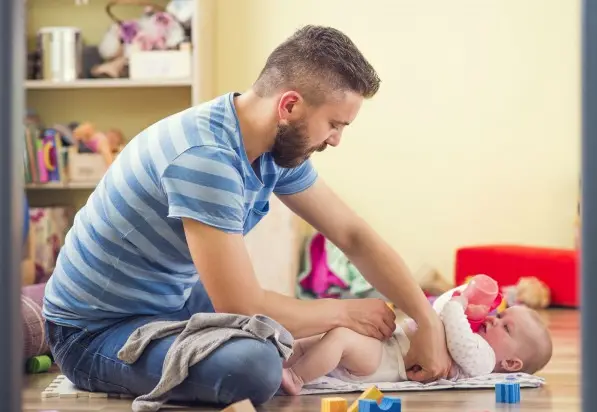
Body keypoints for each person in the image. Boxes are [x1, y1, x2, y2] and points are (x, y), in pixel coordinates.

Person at [41, 25, 452, 406]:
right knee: (255, 365)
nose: (336, 140)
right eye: (333, 124)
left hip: (170, 300)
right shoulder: (206, 158)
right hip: (92, 334)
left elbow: (353, 235)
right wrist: (344, 311)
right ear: (289, 105)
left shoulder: (272, 148)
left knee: (274, 328)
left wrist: (426, 318)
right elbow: (240, 303)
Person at [280, 295, 553, 395]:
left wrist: (459, 304)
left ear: (511, 364)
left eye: (505, 327)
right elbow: (433, 315)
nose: (494, 319)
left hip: (387, 363)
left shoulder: (481, 359)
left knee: (340, 338)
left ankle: (295, 376)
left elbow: (456, 336)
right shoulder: (474, 340)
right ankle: (283, 361)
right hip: (389, 347)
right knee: (322, 339)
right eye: (500, 315)